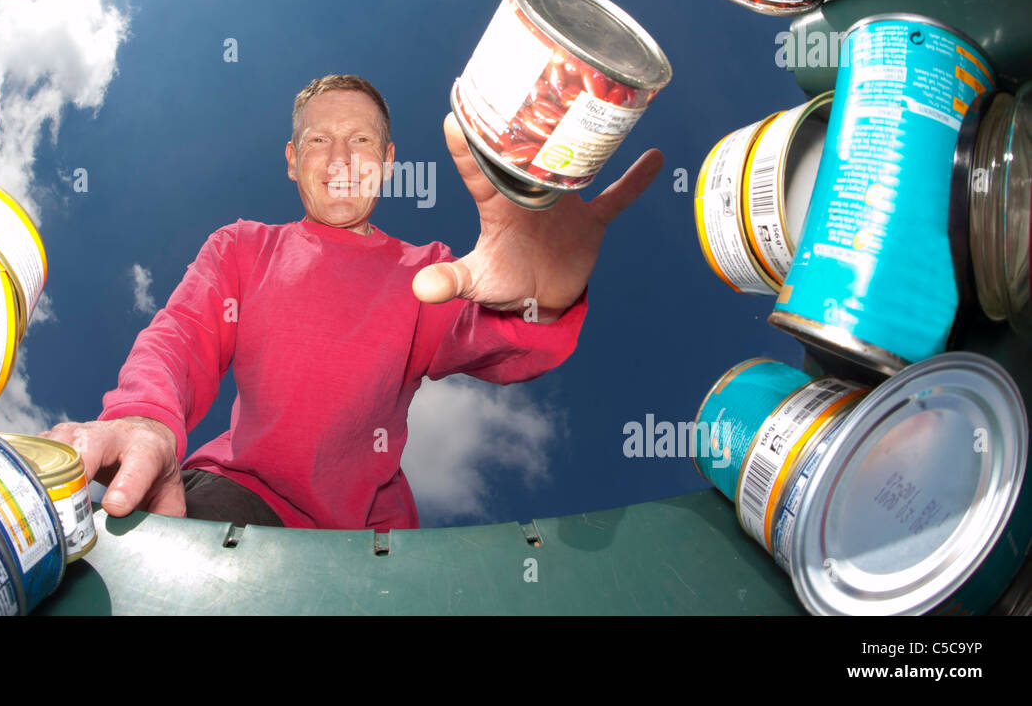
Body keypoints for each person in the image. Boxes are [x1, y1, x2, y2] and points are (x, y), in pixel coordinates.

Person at [44, 74, 662, 529]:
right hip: (233, 499)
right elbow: (181, 335)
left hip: (371, 541)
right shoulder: (242, 248)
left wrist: (541, 296)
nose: (340, 159)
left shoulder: (430, 273)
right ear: (292, 161)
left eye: (361, 140)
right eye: (318, 141)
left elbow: (493, 340)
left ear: (388, 163)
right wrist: (147, 418)